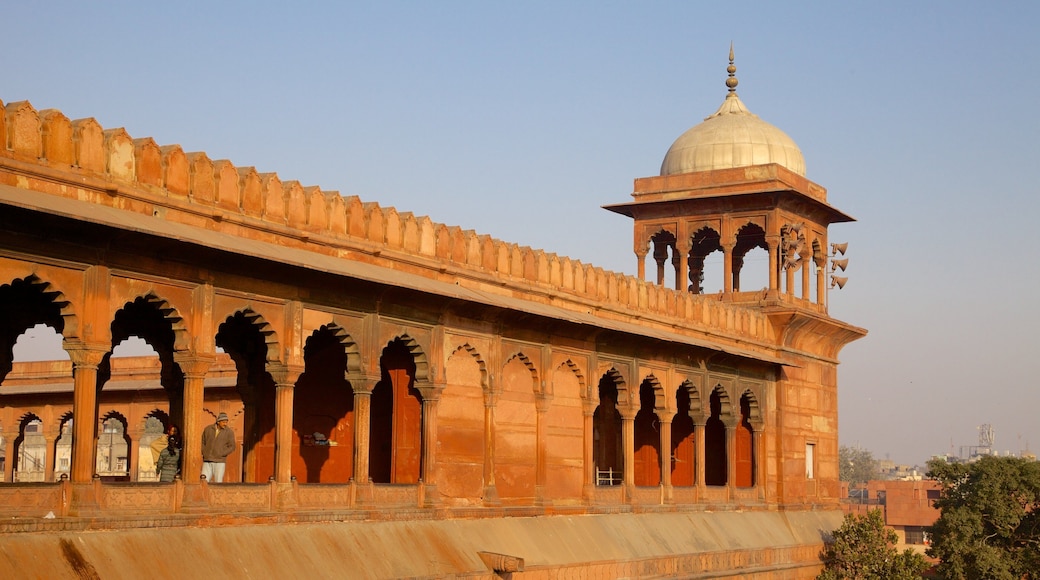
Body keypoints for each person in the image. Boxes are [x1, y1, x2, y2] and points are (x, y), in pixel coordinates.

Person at [201, 412, 236, 483]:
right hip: (207, 460)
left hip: (220, 461)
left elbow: (232, 446)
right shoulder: (208, 429)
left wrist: (222, 453)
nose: (225, 424)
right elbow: (202, 442)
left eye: (226, 422)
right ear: (218, 421)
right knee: (203, 481)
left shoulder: (229, 432)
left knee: (218, 482)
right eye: (223, 422)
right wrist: (204, 452)